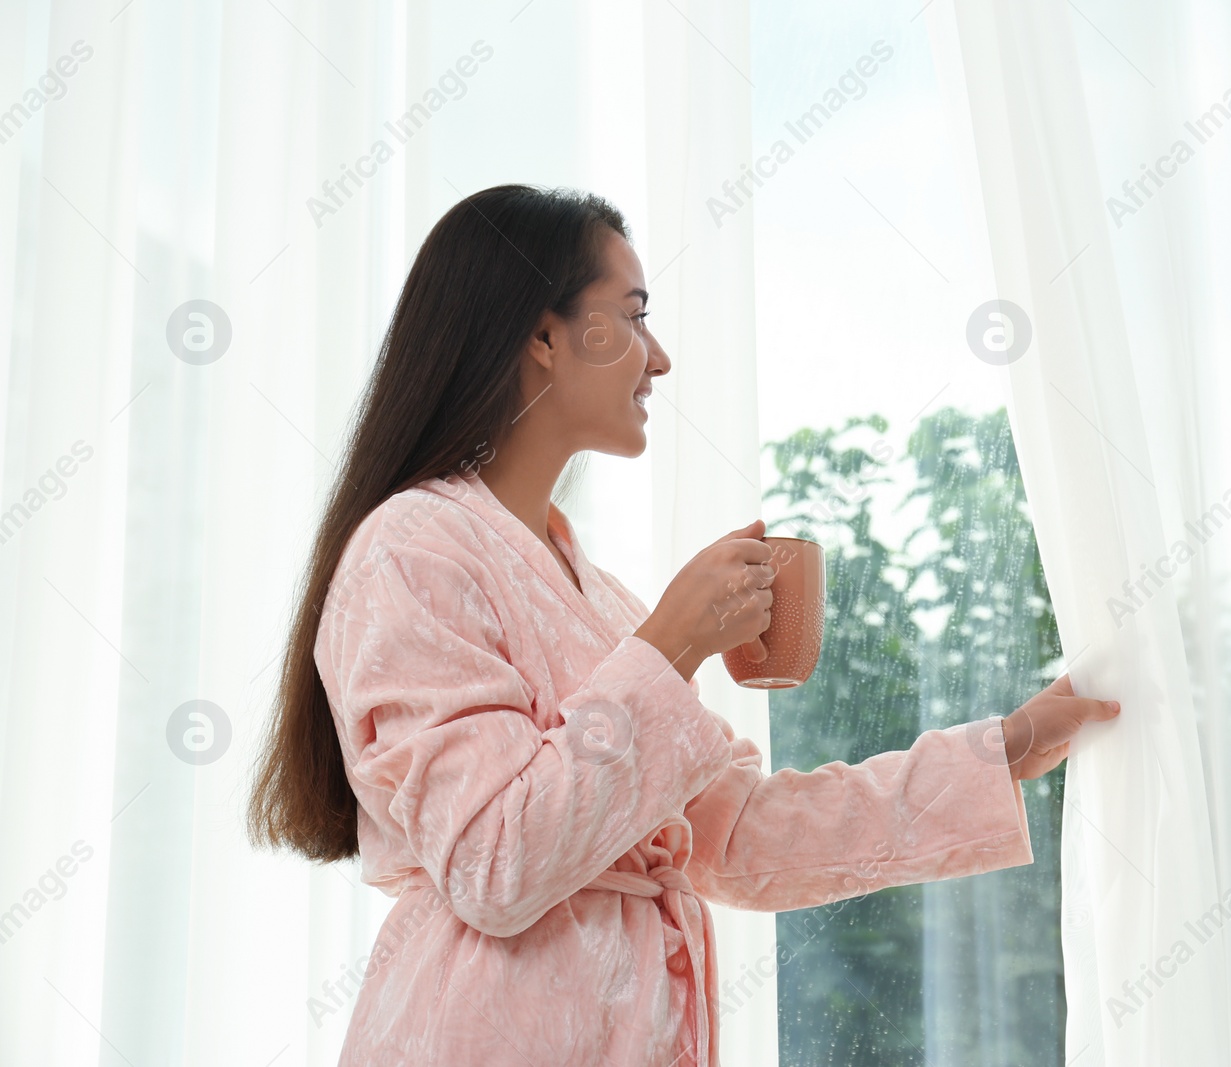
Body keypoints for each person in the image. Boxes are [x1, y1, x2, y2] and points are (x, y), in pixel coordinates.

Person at [245, 184, 1122, 1066]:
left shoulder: (600, 596)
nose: (656, 358)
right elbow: (491, 861)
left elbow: (737, 836)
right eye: (631, 318)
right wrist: (674, 643)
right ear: (543, 338)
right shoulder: (410, 549)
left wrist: (997, 754)